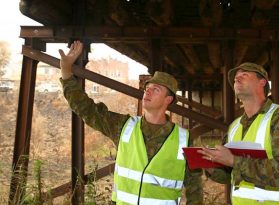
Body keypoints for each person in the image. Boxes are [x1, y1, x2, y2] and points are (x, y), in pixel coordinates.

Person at [59, 41, 203, 205]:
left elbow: (195, 188)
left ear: (168, 100)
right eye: (147, 88)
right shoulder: (123, 126)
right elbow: (86, 109)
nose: (147, 91)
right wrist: (66, 70)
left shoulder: (185, 139)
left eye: (156, 89)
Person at [198, 62, 279, 204]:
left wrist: (234, 160)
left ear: (262, 82)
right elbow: (230, 174)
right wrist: (210, 166)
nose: (237, 79)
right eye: (235, 78)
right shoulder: (234, 126)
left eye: (244, 75)